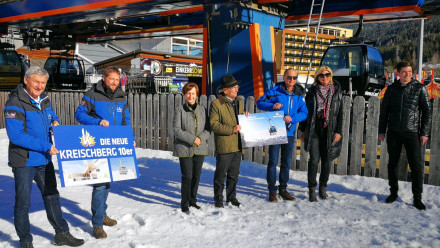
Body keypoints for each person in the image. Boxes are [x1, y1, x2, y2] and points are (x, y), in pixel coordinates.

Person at [4, 66, 84, 248]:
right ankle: (25, 241)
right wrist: (46, 146)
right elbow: (17, 136)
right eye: (36, 82)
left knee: (52, 196)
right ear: (26, 80)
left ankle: (62, 233)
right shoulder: (14, 103)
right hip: (24, 160)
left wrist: (55, 122)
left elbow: (52, 115)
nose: (40, 86)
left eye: (43, 82)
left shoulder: (45, 99)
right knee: (23, 203)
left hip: (44, 159)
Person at [75, 66, 131, 238]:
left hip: (114, 145)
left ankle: (102, 214)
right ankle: (97, 224)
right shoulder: (92, 95)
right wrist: (97, 122)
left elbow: (125, 119)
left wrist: (128, 138)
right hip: (98, 145)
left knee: (107, 183)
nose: (114, 82)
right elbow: (79, 114)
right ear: (104, 78)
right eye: (111, 79)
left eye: (117, 79)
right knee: (100, 184)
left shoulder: (122, 96)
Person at [378, 61, 431, 210]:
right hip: (394, 132)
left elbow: (427, 112)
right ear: (398, 73)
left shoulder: (420, 89)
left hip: (412, 133)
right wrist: (382, 130)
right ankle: (393, 193)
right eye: (404, 72)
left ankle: (417, 198)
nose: (407, 74)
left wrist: (424, 133)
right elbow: (384, 112)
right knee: (392, 164)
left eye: (409, 71)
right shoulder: (391, 89)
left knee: (416, 166)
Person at [256, 68, 308, 203]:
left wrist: (293, 118)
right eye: (289, 77)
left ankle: (283, 189)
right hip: (276, 131)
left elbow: (304, 112)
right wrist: (272, 106)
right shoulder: (275, 91)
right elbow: (260, 102)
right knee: (273, 162)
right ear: (284, 78)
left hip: (290, 132)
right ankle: (272, 191)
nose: (291, 81)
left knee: (286, 163)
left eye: (294, 78)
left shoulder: (299, 94)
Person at [299, 66, 344, 202]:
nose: (324, 78)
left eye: (327, 75)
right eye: (321, 75)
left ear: (330, 76)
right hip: (314, 129)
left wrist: (338, 131)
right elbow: (305, 112)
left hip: (329, 128)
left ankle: (323, 187)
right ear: (317, 77)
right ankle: (312, 189)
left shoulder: (337, 92)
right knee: (313, 160)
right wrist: (303, 130)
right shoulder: (311, 92)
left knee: (327, 160)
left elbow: (340, 113)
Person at [210, 74, 248, 208]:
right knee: (221, 175)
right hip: (225, 145)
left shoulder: (238, 102)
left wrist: (245, 117)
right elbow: (213, 125)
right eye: (234, 87)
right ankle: (218, 199)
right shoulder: (216, 104)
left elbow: (240, 120)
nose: (237, 89)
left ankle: (231, 197)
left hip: (237, 145)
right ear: (225, 90)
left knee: (234, 174)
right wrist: (231, 129)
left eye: (237, 86)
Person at [173, 83, 210, 213]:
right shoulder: (180, 110)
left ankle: (193, 200)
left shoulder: (203, 110)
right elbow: (176, 130)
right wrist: (192, 139)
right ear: (184, 94)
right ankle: (185, 202)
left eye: (193, 93)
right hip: (184, 148)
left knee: (196, 176)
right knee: (187, 176)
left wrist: (200, 138)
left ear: (197, 95)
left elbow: (208, 128)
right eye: (188, 93)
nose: (191, 96)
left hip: (199, 148)